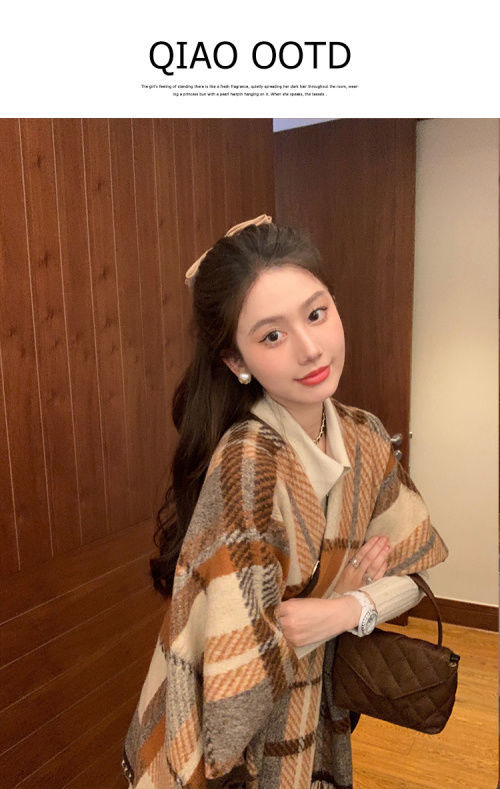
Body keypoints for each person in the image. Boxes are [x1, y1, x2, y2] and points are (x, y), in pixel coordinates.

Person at [122, 215, 448, 788]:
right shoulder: (248, 463)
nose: (310, 349)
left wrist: (346, 608)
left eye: (316, 314)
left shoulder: (365, 435)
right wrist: (345, 591)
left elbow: (412, 574)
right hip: (241, 735)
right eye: (271, 336)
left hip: (319, 705)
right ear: (237, 362)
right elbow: (241, 674)